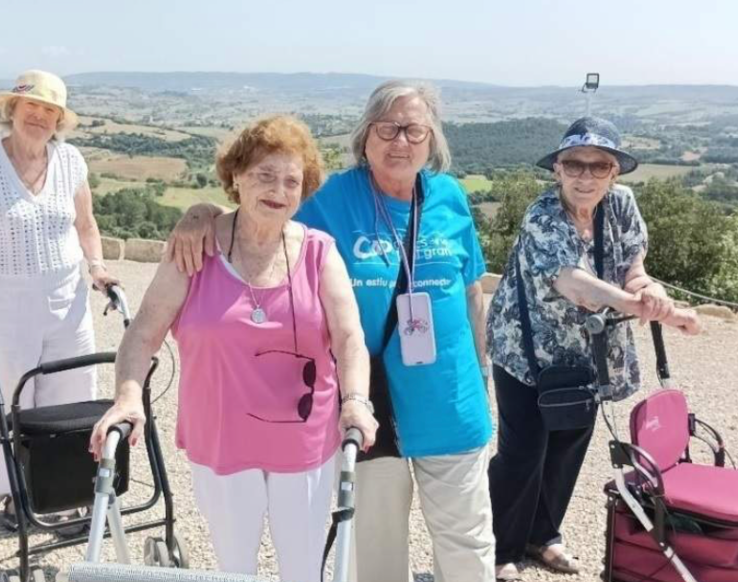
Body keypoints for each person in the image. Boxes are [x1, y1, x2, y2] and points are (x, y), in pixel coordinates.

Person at [165, 81, 495, 582]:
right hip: (372, 402)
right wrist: (199, 215)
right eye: (386, 129)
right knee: (377, 549)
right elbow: (261, 206)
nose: (399, 141)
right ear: (365, 138)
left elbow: (472, 293)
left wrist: (482, 372)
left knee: (467, 540)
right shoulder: (333, 197)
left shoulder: (449, 197)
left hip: (450, 396)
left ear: (432, 142)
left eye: (413, 130)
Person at [90, 115, 377, 582]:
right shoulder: (195, 248)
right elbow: (144, 331)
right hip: (221, 437)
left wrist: (356, 403)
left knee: (305, 569)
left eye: (291, 181)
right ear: (236, 176)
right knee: (234, 570)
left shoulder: (320, 252)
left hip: (304, 439)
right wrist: (127, 397)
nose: (278, 190)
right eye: (264, 175)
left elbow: (349, 338)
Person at [484, 117, 702, 580]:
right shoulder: (542, 215)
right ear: (557, 170)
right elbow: (571, 282)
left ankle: (543, 536)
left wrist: (651, 292)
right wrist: (646, 308)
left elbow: (634, 268)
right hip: (525, 353)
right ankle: (499, 548)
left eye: (598, 165)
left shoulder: (622, 206)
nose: (585, 175)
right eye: (574, 164)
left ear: (613, 173)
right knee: (523, 451)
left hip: (587, 355)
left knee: (567, 446)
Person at [0, 69, 119, 522]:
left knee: (72, 397)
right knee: (12, 401)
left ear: (60, 121)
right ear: (11, 110)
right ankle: (15, 493)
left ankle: (69, 489)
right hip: (2, 302)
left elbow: (86, 227)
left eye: (49, 111)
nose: (39, 116)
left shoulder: (71, 161)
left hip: (66, 300)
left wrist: (96, 267)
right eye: (30, 107)